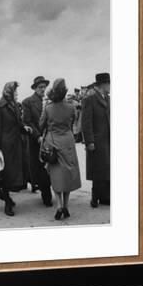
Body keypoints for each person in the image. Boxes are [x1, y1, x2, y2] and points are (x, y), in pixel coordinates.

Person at [40, 78, 82, 220]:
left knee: (56, 176)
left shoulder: (48, 108)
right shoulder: (71, 107)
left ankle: (58, 206)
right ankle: (66, 206)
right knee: (68, 174)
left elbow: (41, 125)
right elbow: (74, 122)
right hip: (68, 142)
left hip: (53, 143)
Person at [0, 81, 30, 216]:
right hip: (4, 147)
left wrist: (24, 127)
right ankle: (7, 203)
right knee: (3, 176)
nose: (17, 94)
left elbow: (18, 123)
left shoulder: (14, 105)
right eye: (15, 91)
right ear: (9, 92)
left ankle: (7, 198)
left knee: (11, 176)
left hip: (15, 145)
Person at [22, 76, 53, 206]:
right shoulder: (28, 102)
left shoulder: (50, 101)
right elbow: (27, 121)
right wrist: (37, 136)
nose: (42, 89)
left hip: (50, 139)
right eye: (40, 87)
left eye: (44, 87)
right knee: (40, 168)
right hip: (37, 141)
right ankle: (46, 195)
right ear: (35, 88)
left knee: (51, 165)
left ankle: (47, 190)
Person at [81, 72, 111, 207]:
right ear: (102, 85)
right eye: (108, 83)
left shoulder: (108, 99)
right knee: (98, 170)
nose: (110, 86)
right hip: (97, 140)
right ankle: (95, 197)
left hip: (108, 140)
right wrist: (89, 141)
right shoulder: (90, 100)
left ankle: (105, 197)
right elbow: (86, 123)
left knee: (107, 169)